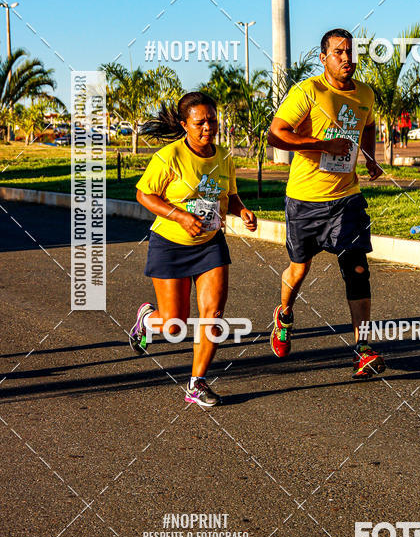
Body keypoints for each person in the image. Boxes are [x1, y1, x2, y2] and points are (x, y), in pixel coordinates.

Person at [267, 28, 386, 379]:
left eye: (350, 52)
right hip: (305, 199)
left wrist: (369, 157)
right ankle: (284, 315)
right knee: (299, 270)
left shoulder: (365, 93)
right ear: (323, 58)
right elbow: (276, 133)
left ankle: (362, 349)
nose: (346, 58)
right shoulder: (308, 91)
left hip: (346, 197)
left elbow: (367, 126)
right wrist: (322, 145)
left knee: (358, 269)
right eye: (339, 52)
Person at [129, 91, 257, 406]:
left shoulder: (224, 156)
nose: (208, 127)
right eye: (200, 122)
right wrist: (181, 216)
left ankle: (196, 383)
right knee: (175, 322)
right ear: (185, 124)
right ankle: (147, 319)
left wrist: (242, 211)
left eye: (212, 120)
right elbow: (144, 195)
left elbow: (231, 194)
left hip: (210, 243)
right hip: (170, 244)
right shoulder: (168, 157)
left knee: (212, 314)